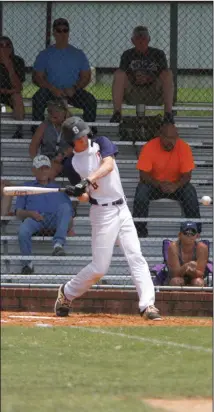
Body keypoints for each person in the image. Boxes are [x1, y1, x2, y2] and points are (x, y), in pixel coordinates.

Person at [54, 116, 161, 321]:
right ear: (71, 141)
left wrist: (87, 180)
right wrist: (76, 193)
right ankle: (67, 293)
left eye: (84, 134)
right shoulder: (71, 164)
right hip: (102, 213)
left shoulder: (102, 143)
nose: (83, 139)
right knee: (99, 268)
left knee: (136, 256)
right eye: (78, 137)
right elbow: (85, 197)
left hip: (122, 208)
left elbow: (108, 165)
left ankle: (148, 305)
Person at [133, 124, 201, 238]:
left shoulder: (183, 147)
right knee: (141, 190)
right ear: (160, 136)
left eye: (174, 138)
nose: (171, 142)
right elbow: (143, 174)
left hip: (176, 186)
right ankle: (139, 229)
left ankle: (194, 229)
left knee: (190, 191)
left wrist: (176, 185)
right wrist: (159, 184)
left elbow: (187, 175)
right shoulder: (150, 146)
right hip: (154, 185)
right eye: (168, 138)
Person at [32, 18, 97, 132]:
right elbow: (37, 77)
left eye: (65, 30)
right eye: (59, 30)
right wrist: (52, 88)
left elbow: (86, 76)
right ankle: (37, 130)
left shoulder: (78, 54)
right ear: (54, 33)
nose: (62, 33)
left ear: (68, 32)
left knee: (91, 101)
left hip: (72, 92)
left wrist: (75, 88)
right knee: (38, 97)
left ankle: (89, 131)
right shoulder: (45, 54)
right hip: (51, 92)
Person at [15, 155, 74, 274]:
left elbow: (69, 213)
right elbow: (18, 213)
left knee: (65, 207)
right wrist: (30, 214)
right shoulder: (26, 187)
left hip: (55, 220)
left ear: (50, 169)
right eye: (40, 168)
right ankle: (27, 264)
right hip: (35, 219)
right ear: (33, 170)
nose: (43, 171)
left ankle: (58, 245)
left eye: (46, 168)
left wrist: (69, 225)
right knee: (22, 231)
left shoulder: (58, 188)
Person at [110, 26, 174, 125]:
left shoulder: (158, 54)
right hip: (133, 92)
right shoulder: (127, 54)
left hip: (153, 92)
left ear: (149, 39)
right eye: (138, 38)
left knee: (168, 74)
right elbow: (124, 74)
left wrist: (149, 78)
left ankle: (168, 114)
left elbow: (163, 73)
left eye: (143, 38)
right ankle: (117, 113)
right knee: (119, 74)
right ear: (132, 40)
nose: (141, 41)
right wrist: (135, 78)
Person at [167, 221, 208, 287]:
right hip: (177, 277)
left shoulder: (202, 248)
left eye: (192, 232)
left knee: (198, 282)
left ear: (197, 236)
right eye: (186, 232)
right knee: (176, 281)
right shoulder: (173, 247)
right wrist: (186, 266)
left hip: (194, 277)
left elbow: (201, 274)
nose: (189, 235)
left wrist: (192, 271)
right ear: (179, 235)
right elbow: (175, 274)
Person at [0, 36, 25, 139]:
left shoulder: (18, 61)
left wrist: (9, 67)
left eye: (7, 45)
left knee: (17, 97)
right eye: (1, 45)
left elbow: (19, 87)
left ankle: (19, 130)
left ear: (11, 48)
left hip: (11, 93)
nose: (4, 48)